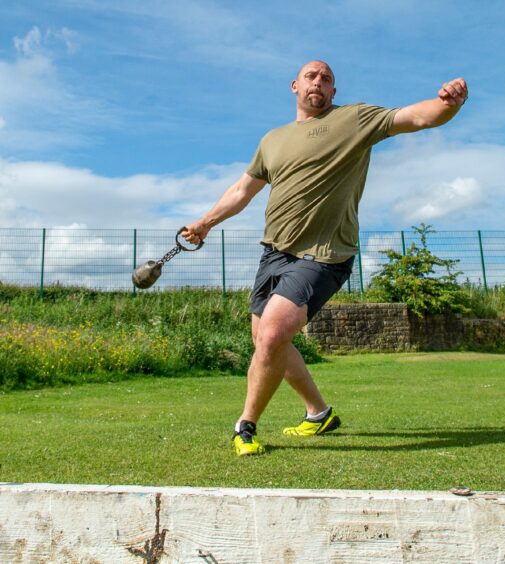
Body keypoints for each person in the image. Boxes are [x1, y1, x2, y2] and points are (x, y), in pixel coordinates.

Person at [183, 60, 468, 456]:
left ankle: (244, 426)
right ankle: (319, 413)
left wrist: (448, 104)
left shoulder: (354, 118)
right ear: (295, 86)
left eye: (327, 78)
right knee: (265, 339)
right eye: (312, 76)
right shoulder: (273, 140)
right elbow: (242, 190)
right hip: (274, 252)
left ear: (334, 91)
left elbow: (415, 117)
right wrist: (205, 222)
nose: (319, 82)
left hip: (324, 253)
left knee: (272, 334)